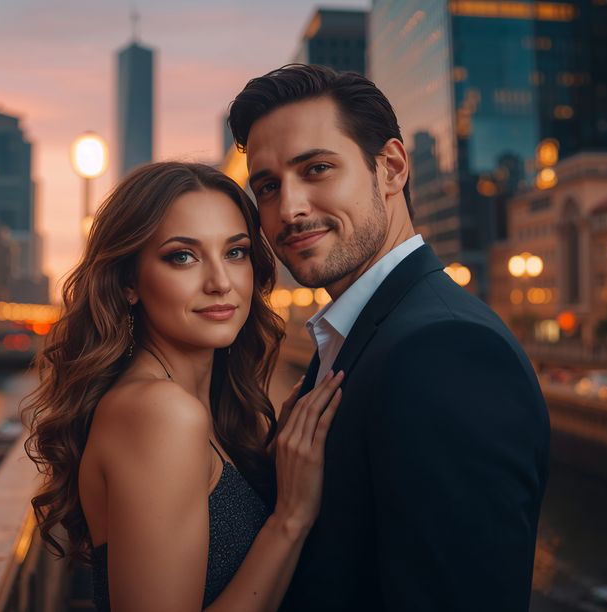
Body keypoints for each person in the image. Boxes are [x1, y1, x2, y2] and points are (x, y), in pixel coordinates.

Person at [227, 64, 551, 610]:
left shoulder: (446, 350)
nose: (290, 208)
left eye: (317, 168)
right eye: (268, 186)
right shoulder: (360, 334)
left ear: (392, 169)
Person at [23, 161, 343, 611]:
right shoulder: (160, 412)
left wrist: (272, 469)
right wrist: (289, 518)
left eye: (236, 252)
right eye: (183, 257)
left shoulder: (196, 406)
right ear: (129, 281)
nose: (220, 283)